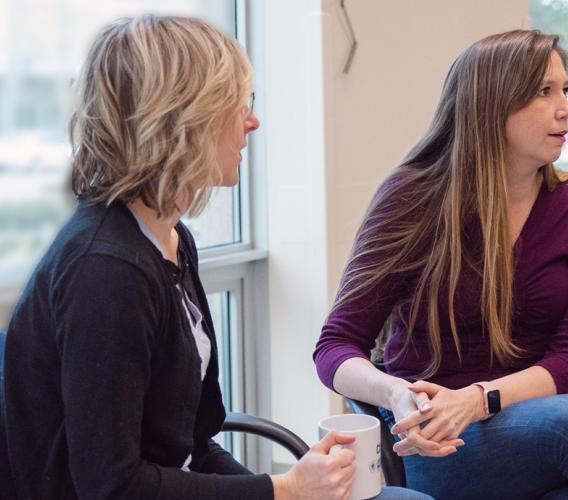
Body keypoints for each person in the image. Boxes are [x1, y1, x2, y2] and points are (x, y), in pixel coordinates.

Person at [1, 14, 432, 500]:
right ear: (182, 119)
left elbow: (195, 443)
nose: (253, 120)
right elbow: (112, 487)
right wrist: (283, 488)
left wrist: (286, 488)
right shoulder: (106, 269)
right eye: (237, 104)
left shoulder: (170, 239)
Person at [314, 29, 568, 500]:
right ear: (493, 103)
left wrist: (480, 399)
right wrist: (395, 394)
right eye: (543, 92)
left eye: (565, 90)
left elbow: (566, 356)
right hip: (443, 443)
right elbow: (335, 347)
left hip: (532, 422)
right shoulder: (414, 198)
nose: (564, 108)